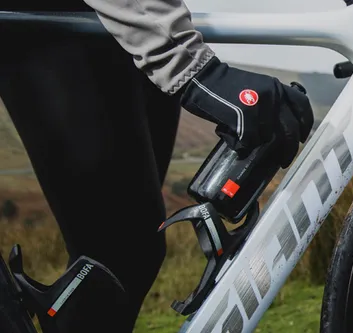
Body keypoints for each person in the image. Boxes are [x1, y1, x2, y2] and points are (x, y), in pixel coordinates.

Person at [0, 0, 314, 331]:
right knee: (121, 251)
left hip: (136, 22)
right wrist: (195, 67)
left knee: (130, 255)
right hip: (61, 18)